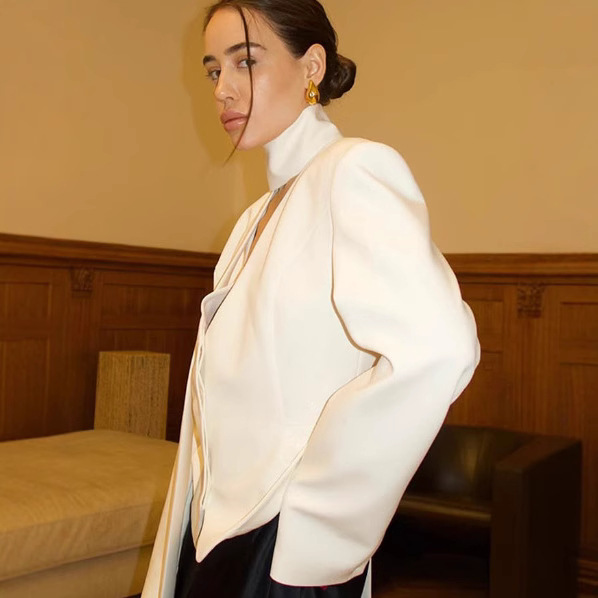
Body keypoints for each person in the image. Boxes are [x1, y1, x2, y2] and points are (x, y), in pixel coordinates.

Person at [142, 1, 480, 597]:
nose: (222, 89)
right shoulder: (250, 222)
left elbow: (440, 349)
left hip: (280, 551)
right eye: (214, 70)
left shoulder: (352, 171)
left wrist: (318, 522)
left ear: (312, 66)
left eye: (245, 61)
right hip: (213, 537)